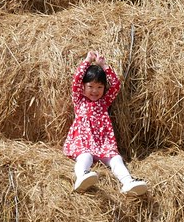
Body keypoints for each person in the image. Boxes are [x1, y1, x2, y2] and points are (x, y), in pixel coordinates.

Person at [63, 51, 148, 196]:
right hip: (83, 140)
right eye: (90, 86)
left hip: (103, 142)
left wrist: (103, 66)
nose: (95, 91)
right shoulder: (79, 100)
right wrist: (87, 61)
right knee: (85, 157)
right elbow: (76, 80)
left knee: (116, 159)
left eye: (99, 87)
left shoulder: (104, 102)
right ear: (83, 87)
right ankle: (82, 176)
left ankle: (128, 182)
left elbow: (115, 85)